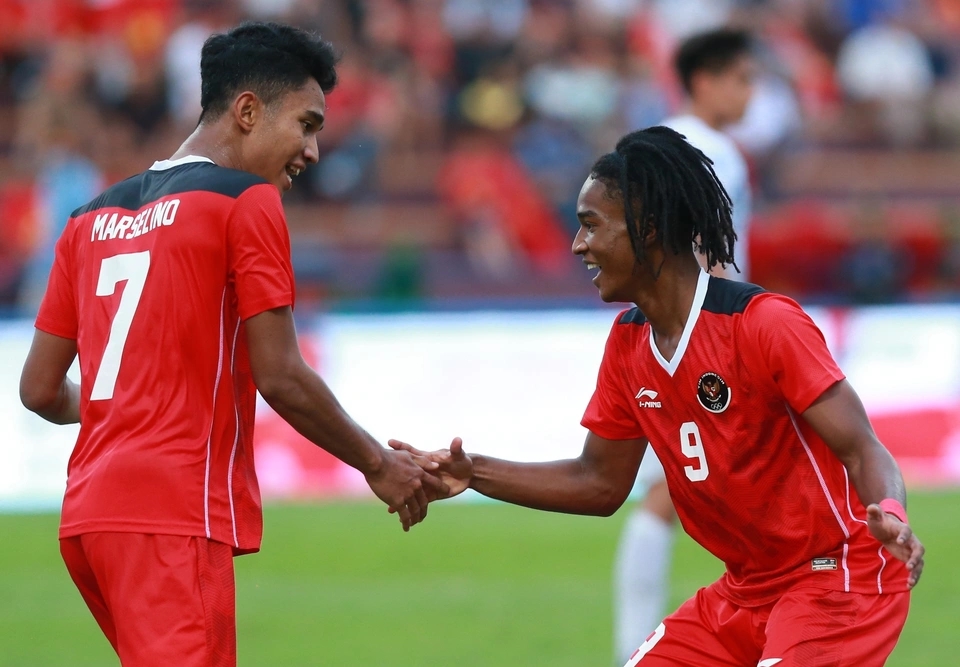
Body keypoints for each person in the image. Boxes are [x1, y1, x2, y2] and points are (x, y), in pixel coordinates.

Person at [392, 126, 925, 667]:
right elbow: (599, 482)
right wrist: (474, 473)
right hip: (745, 592)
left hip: (837, 578)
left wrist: (890, 513)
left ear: (646, 228)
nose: (578, 245)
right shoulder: (629, 343)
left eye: (591, 225)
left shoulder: (763, 323)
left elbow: (863, 448)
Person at [18, 22, 445, 667]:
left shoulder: (90, 217)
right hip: (173, 514)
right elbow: (281, 374)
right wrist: (377, 464)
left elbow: (39, 390)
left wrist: (131, 401)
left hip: (89, 517)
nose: (312, 151)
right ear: (247, 111)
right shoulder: (245, 201)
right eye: (306, 124)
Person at [614, 29, 757, 661]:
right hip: (700, 338)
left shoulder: (661, 143)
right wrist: (724, 332)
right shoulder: (710, 150)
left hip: (665, 332)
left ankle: (640, 645)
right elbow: (705, 250)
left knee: (672, 492)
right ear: (705, 81)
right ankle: (636, 647)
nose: (750, 94)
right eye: (741, 80)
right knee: (670, 493)